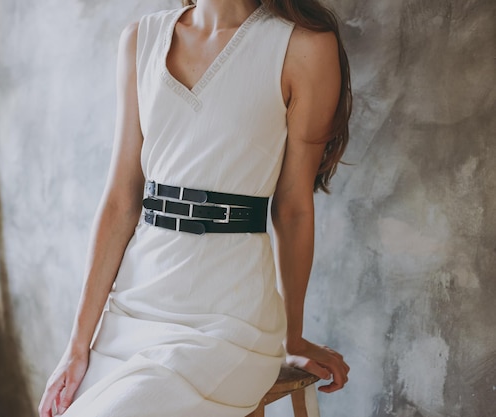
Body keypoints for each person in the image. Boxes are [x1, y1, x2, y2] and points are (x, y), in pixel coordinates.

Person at [39, 0, 352, 415]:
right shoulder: (140, 39)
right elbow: (121, 200)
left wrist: (291, 338)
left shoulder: (304, 46)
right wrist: (77, 347)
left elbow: (293, 208)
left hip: (228, 324)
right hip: (132, 314)